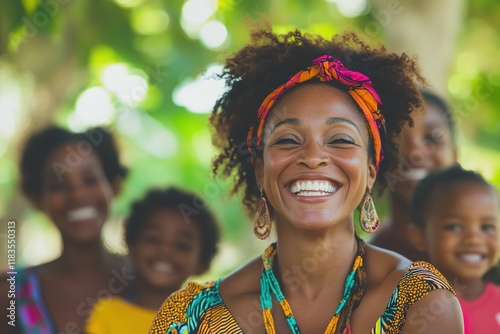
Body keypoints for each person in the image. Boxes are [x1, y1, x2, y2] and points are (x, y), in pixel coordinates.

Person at [149, 27, 463, 333]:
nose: (313, 157)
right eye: (287, 140)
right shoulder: (191, 318)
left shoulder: (420, 303)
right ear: (260, 170)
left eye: (340, 139)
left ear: (369, 171)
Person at [0, 126, 128, 334]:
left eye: (90, 180)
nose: (77, 196)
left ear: (114, 187)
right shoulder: (12, 294)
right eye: (57, 186)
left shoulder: (151, 281)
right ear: (38, 200)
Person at [85, 187, 220, 333]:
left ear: (202, 263)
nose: (165, 250)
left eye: (182, 246)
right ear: (132, 246)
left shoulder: (205, 324)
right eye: (153, 239)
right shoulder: (107, 313)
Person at [408, 165, 500, 333]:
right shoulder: (415, 308)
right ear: (419, 236)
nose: (474, 239)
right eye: (454, 227)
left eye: (487, 227)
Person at [369, 89, 457, 260]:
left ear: (454, 155)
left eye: (432, 138)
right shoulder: (358, 266)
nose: (415, 152)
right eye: (397, 139)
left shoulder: (488, 258)